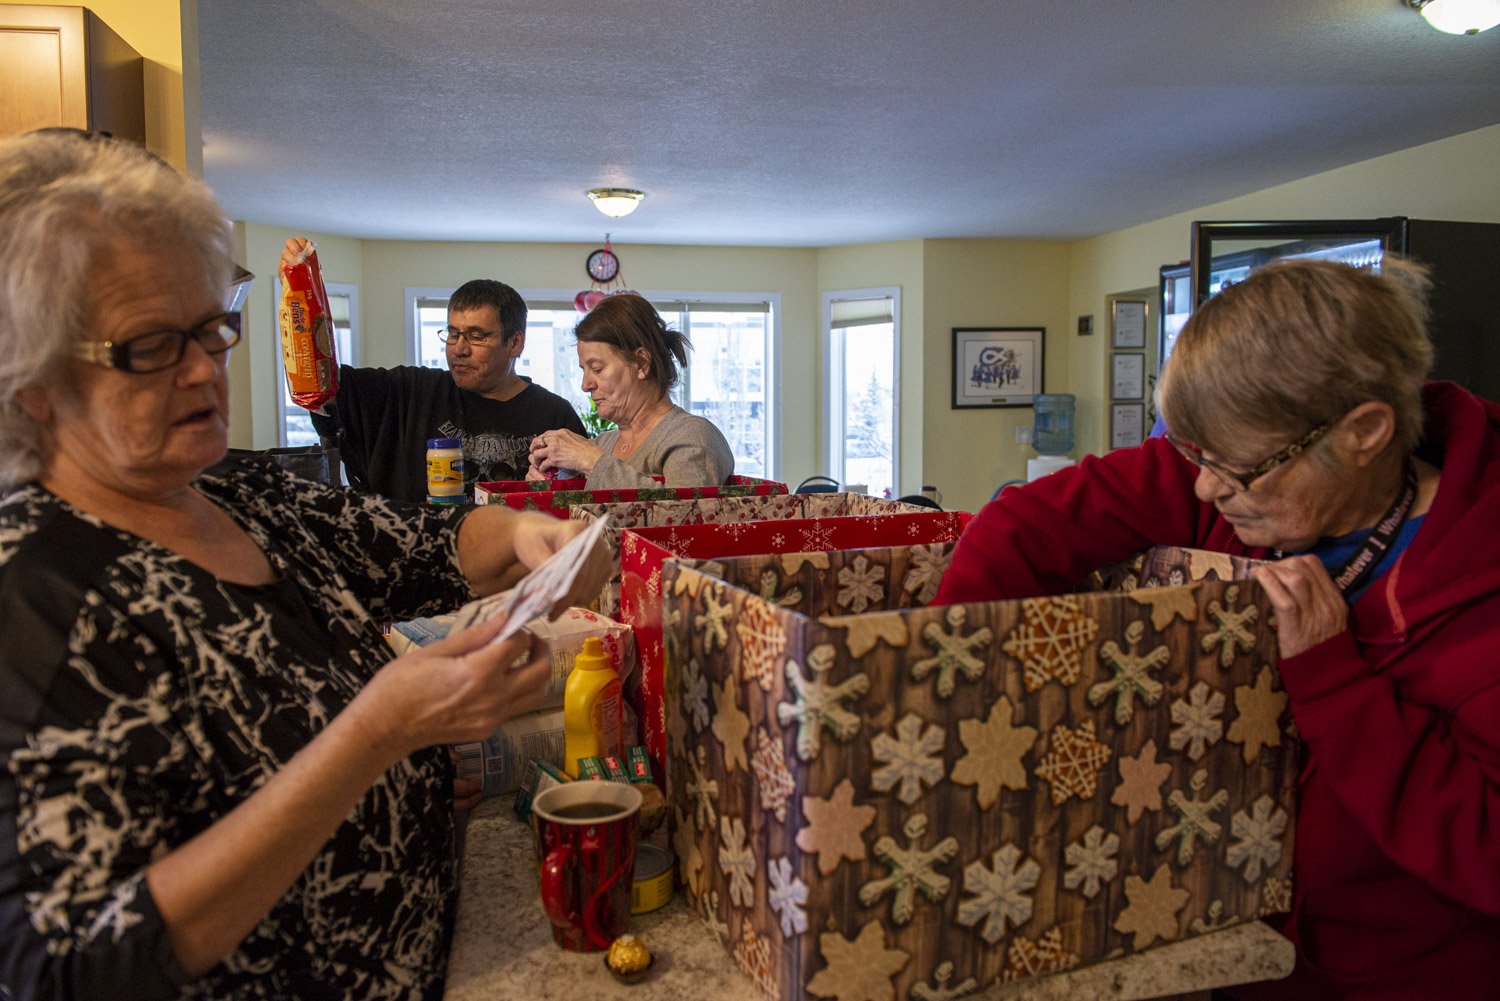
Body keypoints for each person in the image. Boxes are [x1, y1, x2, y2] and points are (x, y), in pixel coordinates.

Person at [0, 131, 608, 1000]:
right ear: (32, 379)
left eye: (212, 329)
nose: (205, 370)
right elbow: (68, 965)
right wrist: (378, 733)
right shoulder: (35, 594)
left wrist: (516, 534)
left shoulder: (239, 490)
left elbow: (424, 541)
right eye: (149, 346)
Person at [934, 257, 1499, 1000]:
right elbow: (1019, 526)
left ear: (1365, 430)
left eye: (1232, 466)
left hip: (1391, 976)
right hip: (1225, 945)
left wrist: (1334, 680)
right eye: (1193, 453)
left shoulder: (1479, 583)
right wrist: (942, 681)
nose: (1203, 486)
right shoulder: (1233, 474)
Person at [281, 237, 586, 502]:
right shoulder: (411, 392)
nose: (459, 348)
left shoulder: (555, 417)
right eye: (453, 333)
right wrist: (302, 288)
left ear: (515, 343)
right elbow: (325, 386)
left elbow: (579, 506)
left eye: (477, 336)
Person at [526, 293, 735, 488]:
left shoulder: (691, 436)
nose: (585, 385)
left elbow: (685, 516)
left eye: (597, 369)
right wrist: (550, 487)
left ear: (641, 363)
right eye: (584, 370)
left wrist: (592, 461)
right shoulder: (603, 443)